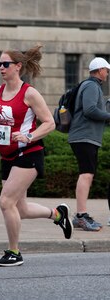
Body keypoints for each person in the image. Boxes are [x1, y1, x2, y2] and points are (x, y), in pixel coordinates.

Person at [0, 45, 73, 267]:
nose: (1, 68)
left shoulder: (29, 93)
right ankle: (58, 215)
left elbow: (50, 123)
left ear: (18, 67)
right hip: (7, 156)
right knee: (19, 209)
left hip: (29, 154)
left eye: (5, 64)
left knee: (5, 202)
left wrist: (29, 136)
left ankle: (14, 252)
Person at [68, 57, 110, 231]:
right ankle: (81, 215)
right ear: (99, 70)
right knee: (86, 174)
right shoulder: (92, 86)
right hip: (84, 137)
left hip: (85, 137)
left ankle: (81, 215)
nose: (107, 73)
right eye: (106, 70)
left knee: (87, 174)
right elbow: (90, 109)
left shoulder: (91, 85)